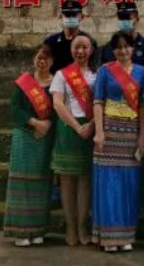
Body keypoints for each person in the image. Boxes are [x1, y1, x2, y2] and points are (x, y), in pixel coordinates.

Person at [91, 31, 144, 252]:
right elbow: (98, 102)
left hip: (131, 133)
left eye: (127, 46)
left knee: (128, 184)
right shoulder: (105, 70)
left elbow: (142, 106)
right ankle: (108, 236)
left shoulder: (142, 72)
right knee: (108, 183)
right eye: (118, 47)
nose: (123, 51)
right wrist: (99, 132)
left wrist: (142, 136)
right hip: (109, 132)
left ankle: (125, 235)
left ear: (133, 48)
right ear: (112, 50)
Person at [3, 44, 56, 247]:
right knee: (22, 182)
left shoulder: (56, 83)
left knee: (41, 183)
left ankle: (38, 229)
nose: (42, 61)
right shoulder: (24, 83)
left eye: (46, 58)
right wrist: (34, 122)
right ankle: (21, 231)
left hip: (45, 138)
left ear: (52, 61)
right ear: (34, 59)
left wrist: (47, 124)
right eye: (39, 57)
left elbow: (59, 109)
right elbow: (14, 108)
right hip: (24, 137)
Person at [50, 33, 97, 246]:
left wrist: (92, 124)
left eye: (85, 47)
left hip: (90, 128)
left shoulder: (97, 75)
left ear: (91, 50)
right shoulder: (62, 74)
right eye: (77, 47)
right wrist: (77, 126)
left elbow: (102, 103)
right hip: (69, 128)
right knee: (67, 180)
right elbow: (58, 104)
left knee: (85, 179)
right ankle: (70, 226)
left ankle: (82, 225)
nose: (81, 51)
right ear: (71, 49)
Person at [100, 1, 144, 69]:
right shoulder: (108, 48)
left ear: (137, 19)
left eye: (128, 18)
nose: (124, 21)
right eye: (121, 18)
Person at [45, 0, 96, 73]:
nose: (70, 17)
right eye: (67, 15)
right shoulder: (50, 42)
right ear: (60, 16)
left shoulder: (89, 42)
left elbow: (93, 68)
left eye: (74, 15)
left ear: (82, 16)